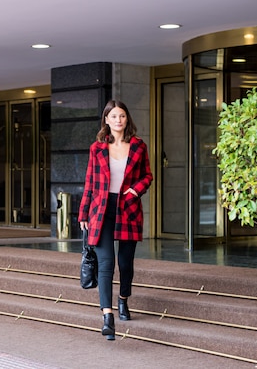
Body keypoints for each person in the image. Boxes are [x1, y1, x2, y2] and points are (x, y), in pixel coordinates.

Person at [78, 100, 153, 341]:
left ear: (127, 119)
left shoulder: (139, 146)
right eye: (114, 116)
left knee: (126, 263)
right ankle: (107, 317)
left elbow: (147, 175)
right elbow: (90, 182)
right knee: (106, 263)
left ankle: (123, 300)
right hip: (101, 209)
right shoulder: (97, 148)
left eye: (122, 116)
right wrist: (83, 213)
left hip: (128, 209)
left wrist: (134, 191)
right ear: (106, 120)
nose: (118, 120)